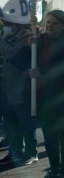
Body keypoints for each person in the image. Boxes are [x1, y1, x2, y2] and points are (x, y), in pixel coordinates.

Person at [18, 10, 64, 178]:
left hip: (63, 98)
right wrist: (28, 46)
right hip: (42, 97)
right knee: (49, 136)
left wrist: (42, 72)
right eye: (48, 22)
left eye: (55, 23)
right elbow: (21, 62)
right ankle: (54, 168)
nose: (50, 26)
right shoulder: (40, 40)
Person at [0, 21, 37, 167]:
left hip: (21, 87)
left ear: (17, 24)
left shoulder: (27, 36)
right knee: (10, 123)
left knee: (25, 122)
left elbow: (12, 54)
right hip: (6, 86)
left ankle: (31, 152)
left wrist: (1, 41)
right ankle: (14, 152)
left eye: (8, 23)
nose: (5, 26)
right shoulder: (7, 37)